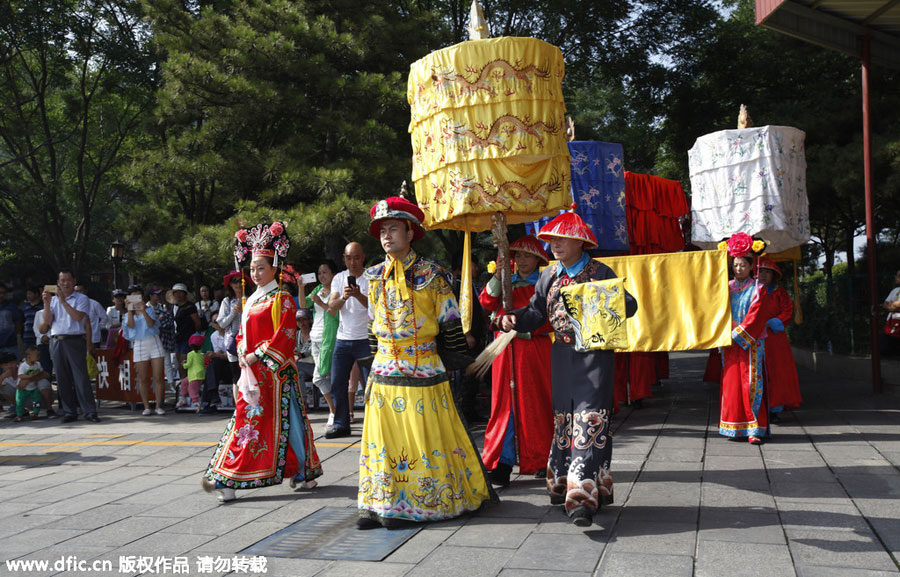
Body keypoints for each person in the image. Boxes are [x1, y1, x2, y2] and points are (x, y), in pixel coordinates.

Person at [357, 196, 496, 529]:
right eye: (382, 230)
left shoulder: (432, 273)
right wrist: (376, 357)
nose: (387, 236)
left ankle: (421, 502)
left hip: (424, 367)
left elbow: (450, 320)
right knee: (382, 440)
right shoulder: (374, 275)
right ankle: (378, 502)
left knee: (423, 437)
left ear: (410, 232)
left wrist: (452, 359)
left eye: (393, 229)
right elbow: (372, 322)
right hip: (385, 367)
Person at [497, 206, 637, 527]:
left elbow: (630, 305)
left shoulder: (601, 272)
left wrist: (603, 299)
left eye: (563, 239)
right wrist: (512, 318)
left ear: (580, 243)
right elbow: (536, 313)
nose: (555, 245)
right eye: (552, 239)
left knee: (590, 422)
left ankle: (581, 500)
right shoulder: (548, 275)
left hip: (594, 357)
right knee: (564, 422)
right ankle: (563, 484)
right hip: (560, 356)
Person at [202, 221, 321, 502]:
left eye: (261, 268)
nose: (255, 273)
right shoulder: (253, 299)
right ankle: (228, 477)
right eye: (252, 268)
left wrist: (258, 354)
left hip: (276, 373)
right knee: (249, 420)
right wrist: (243, 351)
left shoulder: (282, 298)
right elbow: (242, 332)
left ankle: (233, 478)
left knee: (284, 422)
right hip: (252, 372)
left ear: (274, 268)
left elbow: (285, 335)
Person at [478, 235, 554, 487]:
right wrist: (499, 277)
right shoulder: (506, 282)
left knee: (536, 401)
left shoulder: (545, 284)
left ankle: (542, 458)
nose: (522, 260)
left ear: (538, 259)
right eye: (517, 255)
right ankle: (501, 462)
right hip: (503, 352)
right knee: (503, 404)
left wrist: (518, 330)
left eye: (527, 255)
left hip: (533, 351)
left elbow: (550, 318)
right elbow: (486, 302)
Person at [717, 236, 778, 445]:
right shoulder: (726, 287)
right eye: (735, 265)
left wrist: (737, 334)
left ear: (752, 266)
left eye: (743, 264)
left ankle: (754, 429)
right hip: (728, 342)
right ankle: (733, 426)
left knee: (751, 383)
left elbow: (757, 315)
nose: (739, 268)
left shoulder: (758, 289)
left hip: (750, 343)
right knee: (731, 383)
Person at [40, 269, 100, 423]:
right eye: (62, 280)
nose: (65, 283)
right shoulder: (53, 301)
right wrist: (46, 304)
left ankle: (89, 411)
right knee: (62, 378)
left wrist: (63, 302)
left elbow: (78, 317)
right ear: (58, 283)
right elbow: (47, 322)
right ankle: (69, 411)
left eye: (68, 280)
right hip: (57, 340)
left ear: (74, 282)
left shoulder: (81, 298)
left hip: (74, 339)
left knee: (81, 377)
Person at [326, 242, 370, 438]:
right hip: (343, 339)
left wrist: (359, 295)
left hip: (366, 339)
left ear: (363, 257)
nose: (352, 262)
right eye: (348, 258)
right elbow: (331, 307)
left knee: (371, 384)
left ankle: (374, 423)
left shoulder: (371, 277)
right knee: (337, 383)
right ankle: (342, 423)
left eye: (356, 257)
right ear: (344, 258)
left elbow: (377, 307)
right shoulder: (339, 278)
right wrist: (344, 297)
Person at [756, 258, 801, 421]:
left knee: (776, 372)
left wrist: (770, 323)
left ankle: (774, 408)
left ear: (774, 276)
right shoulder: (751, 291)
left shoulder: (779, 292)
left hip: (775, 339)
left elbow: (787, 312)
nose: (763, 275)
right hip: (754, 336)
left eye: (768, 272)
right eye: (761, 271)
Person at [303, 260, 339, 429]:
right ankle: (338, 410)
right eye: (319, 273)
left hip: (330, 338)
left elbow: (334, 312)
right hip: (315, 338)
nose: (322, 276)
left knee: (320, 377)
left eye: (325, 272)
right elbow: (303, 305)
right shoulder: (318, 289)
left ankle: (334, 411)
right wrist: (300, 287)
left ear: (333, 273)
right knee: (325, 377)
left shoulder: (337, 290)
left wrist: (320, 302)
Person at [122, 284, 167, 416]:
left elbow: (152, 323)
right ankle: (146, 406)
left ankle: (159, 405)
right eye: (132, 295)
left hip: (154, 341)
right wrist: (129, 310)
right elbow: (130, 325)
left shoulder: (150, 310)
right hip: (139, 344)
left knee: (158, 376)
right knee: (143, 377)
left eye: (138, 295)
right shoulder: (127, 313)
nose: (136, 298)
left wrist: (142, 310)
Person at [217, 271, 252, 384]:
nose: (238, 284)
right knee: (236, 377)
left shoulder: (251, 300)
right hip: (233, 342)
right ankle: (238, 401)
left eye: (240, 281)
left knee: (250, 374)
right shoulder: (226, 301)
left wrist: (246, 312)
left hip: (249, 341)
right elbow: (221, 324)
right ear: (230, 285)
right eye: (234, 281)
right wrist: (233, 313)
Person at [169, 283, 201, 382]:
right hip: (178, 337)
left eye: (180, 293)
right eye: (176, 293)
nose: (178, 295)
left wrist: (195, 337)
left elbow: (197, 322)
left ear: (185, 294)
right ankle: (183, 386)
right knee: (179, 363)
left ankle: (188, 386)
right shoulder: (175, 307)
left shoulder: (190, 307)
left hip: (188, 338)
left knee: (184, 363)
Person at [148, 286, 177, 390]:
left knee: (167, 363)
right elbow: (149, 326)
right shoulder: (145, 309)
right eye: (156, 294)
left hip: (163, 340)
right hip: (150, 341)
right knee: (151, 365)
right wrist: (158, 321)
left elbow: (168, 323)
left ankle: (171, 385)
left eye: (159, 294)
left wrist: (157, 322)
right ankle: (153, 386)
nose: (158, 297)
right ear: (150, 295)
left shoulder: (163, 308)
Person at [13, 346, 52, 422]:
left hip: (33, 387)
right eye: (37, 356)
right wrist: (29, 377)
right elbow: (21, 375)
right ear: (29, 357)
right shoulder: (23, 366)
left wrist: (37, 374)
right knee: (20, 402)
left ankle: (35, 413)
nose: (39, 357)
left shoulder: (38, 364)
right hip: (23, 389)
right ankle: (19, 415)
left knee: (36, 400)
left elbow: (42, 372)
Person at [75, 284, 109, 352]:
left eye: (80, 291)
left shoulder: (94, 304)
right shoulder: (72, 304)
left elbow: (104, 317)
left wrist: (98, 327)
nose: (78, 293)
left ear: (85, 291)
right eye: (76, 291)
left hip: (93, 338)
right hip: (77, 338)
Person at [178, 334, 206, 410]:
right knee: (184, 382)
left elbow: (188, 364)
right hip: (199, 374)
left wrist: (184, 364)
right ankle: (183, 397)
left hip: (193, 375)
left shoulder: (190, 354)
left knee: (192, 388)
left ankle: (195, 402)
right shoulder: (201, 354)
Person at [0, 284, 24, 358]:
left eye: (3, 293)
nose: (1, 295)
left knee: (13, 368)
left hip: (10, 345)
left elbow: (18, 324)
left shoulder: (11, 307)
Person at [882, 270, 900, 357]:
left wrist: (893, 305)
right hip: (891, 322)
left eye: (897, 276)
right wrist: (893, 307)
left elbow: (897, 304)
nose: (896, 278)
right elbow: (885, 304)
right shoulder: (895, 290)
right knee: (888, 350)